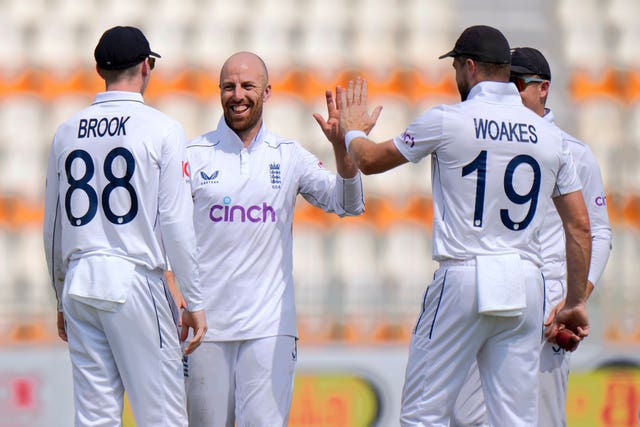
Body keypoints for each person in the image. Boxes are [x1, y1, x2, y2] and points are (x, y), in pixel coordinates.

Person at [337, 25, 592, 426]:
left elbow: (369, 160)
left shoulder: (447, 120)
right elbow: (579, 226)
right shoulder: (549, 135)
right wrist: (575, 302)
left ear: (469, 67)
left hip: (465, 274)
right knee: (516, 420)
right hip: (526, 281)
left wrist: (350, 130)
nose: (456, 75)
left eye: (456, 66)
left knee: (423, 414)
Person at [183, 51, 367, 426]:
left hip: (269, 329)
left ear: (266, 93)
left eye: (248, 86)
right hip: (206, 328)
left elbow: (348, 204)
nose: (238, 95)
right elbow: (167, 232)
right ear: (219, 92)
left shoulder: (289, 156)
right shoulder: (193, 155)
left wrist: (342, 150)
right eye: (229, 86)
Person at [42, 26, 207, 426]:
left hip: (80, 281)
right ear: (147, 67)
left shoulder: (67, 131)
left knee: (95, 418)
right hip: (133, 279)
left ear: (99, 68)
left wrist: (61, 296)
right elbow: (175, 222)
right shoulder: (162, 129)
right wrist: (195, 300)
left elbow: (52, 226)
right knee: (163, 416)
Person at [451, 47, 612, 427]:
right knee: (463, 414)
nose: (510, 91)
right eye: (506, 82)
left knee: (544, 416)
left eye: (519, 83)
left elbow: (599, 229)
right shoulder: (486, 140)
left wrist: (575, 298)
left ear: (544, 90)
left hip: (549, 303)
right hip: (494, 291)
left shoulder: (574, 152)